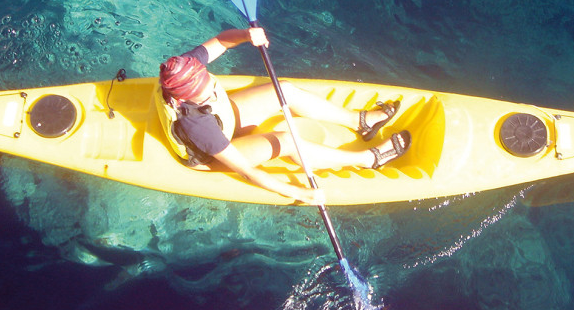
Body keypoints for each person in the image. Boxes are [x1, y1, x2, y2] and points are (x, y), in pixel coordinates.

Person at [155, 27, 411, 205]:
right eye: (205, 96)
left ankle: (359, 122)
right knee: (285, 140)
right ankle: (369, 159)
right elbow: (247, 172)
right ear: (183, 99)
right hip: (211, 153)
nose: (213, 92)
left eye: (211, 86)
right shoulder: (197, 125)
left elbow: (221, 41)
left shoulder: (184, 66)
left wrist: (246, 36)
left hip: (222, 119)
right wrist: (299, 193)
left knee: (284, 90)